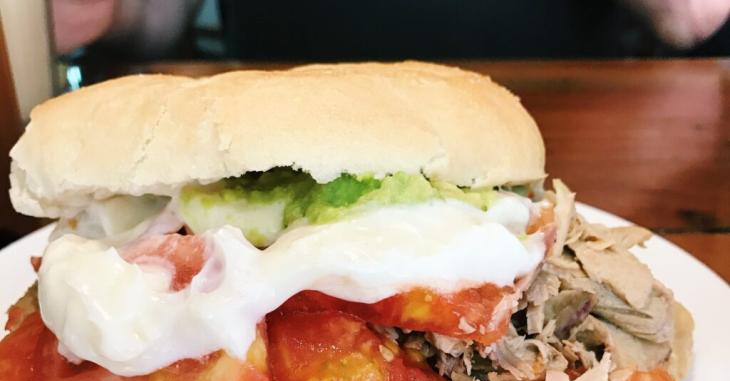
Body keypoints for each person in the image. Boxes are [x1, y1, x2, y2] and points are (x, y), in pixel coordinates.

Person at [52, 0, 730, 61]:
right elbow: (158, 13)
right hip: (277, 152)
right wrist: (112, 10)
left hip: (559, 153)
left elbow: (692, 18)